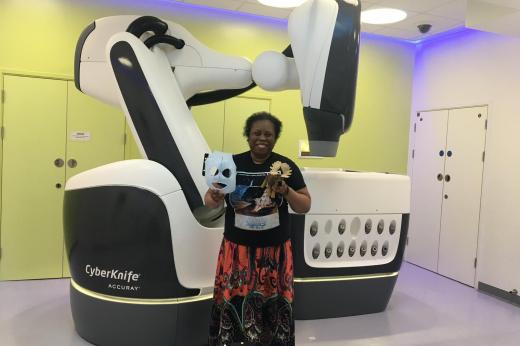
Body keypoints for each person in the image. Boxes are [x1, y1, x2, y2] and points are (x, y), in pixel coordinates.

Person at [205, 111, 311, 346]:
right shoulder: (231, 164)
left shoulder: (285, 166)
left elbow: (304, 205)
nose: (262, 138)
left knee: (272, 307)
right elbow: (210, 203)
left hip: (275, 255)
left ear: (275, 138)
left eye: (268, 134)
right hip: (236, 254)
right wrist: (214, 194)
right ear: (248, 135)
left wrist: (286, 191)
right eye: (256, 133)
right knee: (234, 303)